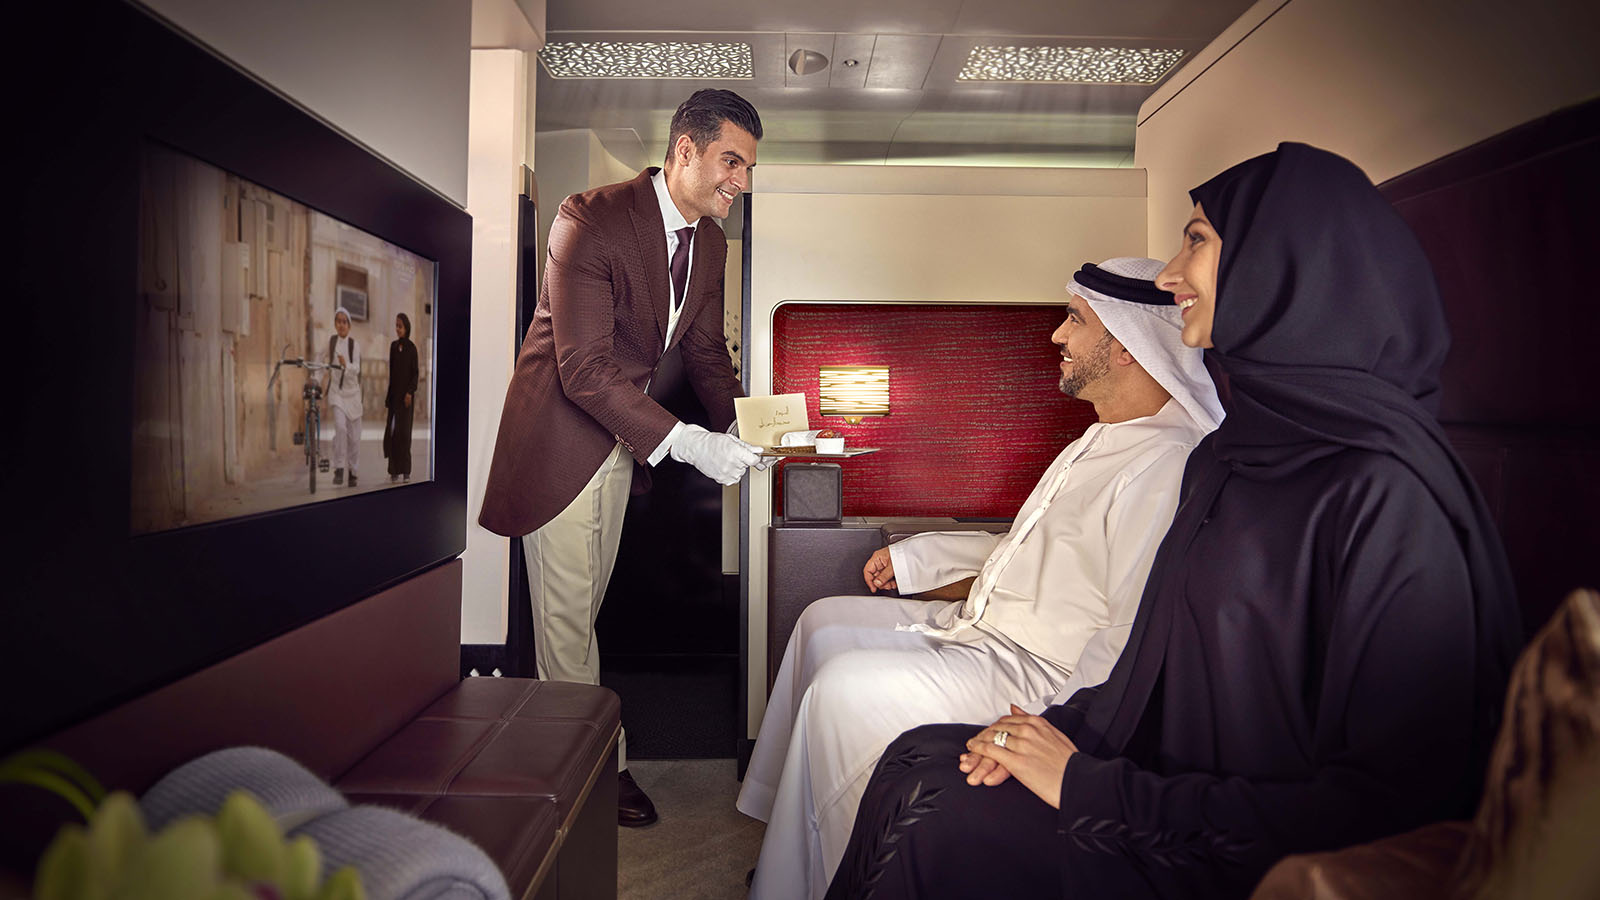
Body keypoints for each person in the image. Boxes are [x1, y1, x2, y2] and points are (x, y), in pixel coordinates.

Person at [824, 143, 1522, 900]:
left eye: (1197, 241)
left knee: (942, 816)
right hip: (1161, 785)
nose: (1169, 273)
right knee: (919, 759)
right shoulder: (1228, 457)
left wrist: (1091, 789)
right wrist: (1056, 738)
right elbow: (1152, 667)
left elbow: (1389, 804)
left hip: (1224, 838)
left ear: (1283, 265)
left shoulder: (1386, 491)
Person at [739, 256, 1225, 899]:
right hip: (992, 632)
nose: (1058, 336)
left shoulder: (1164, 463)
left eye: (1075, 321)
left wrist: (1066, 737)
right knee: (822, 619)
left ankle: (832, 877)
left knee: (843, 690)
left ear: (1127, 346)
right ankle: (789, 841)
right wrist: (918, 559)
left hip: (1042, 675)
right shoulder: (1100, 440)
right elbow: (1023, 547)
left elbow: (1130, 638)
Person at [479, 89, 767, 826]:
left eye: (748, 167)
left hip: (616, 443)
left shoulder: (709, 243)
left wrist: (754, 425)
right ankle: (594, 776)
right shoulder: (590, 218)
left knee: (580, 615)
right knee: (570, 623)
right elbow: (582, 369)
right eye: (731, 160)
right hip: (558, 441)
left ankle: (562, 752)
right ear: (684, 150)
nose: (741, 179)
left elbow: (704, 352)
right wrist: (693, 442)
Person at [324, 306, 362, 487]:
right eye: (338, 321)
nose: (341, 325)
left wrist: (346, 365)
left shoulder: (355, 345)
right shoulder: (330, 342)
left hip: (353, 395)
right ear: (335, 324)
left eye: (344, 321)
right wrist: (315, 379)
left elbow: (357, 369)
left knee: (354, 437)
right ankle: (338, 468)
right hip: (337, 393)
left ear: (349, 324)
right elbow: (319, 361)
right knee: (340, 427)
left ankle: (353, 471)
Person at [384, 312, 419, 483]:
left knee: (404, 433)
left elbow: (415, 374)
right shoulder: (392, 347)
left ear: (406, 328)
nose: (397, 329)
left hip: (406, 399)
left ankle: (406, 470)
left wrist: (409, 393)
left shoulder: (412, 349)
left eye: (400, 326)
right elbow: (392, 373)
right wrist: (389, 396)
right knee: (393, 433)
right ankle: (393, 470)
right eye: (396, 326)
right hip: (394, 398)